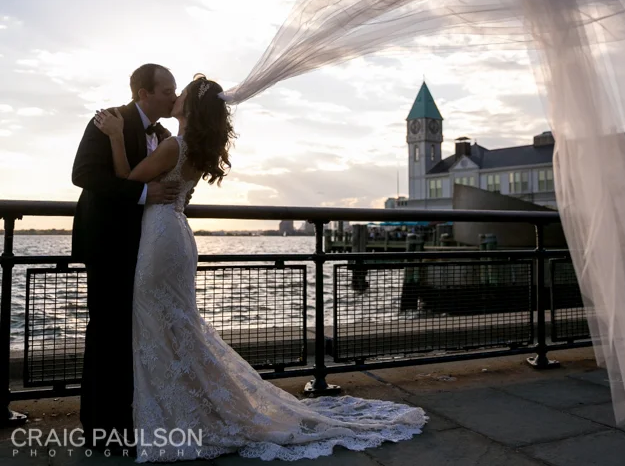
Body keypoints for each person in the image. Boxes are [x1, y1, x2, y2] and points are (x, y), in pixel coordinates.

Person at [93, 75, 427, 462]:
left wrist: (117, 137)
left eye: (181, 91)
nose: (176, 95)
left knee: (161, 324)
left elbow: (126, 181)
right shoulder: (197, 149)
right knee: (178, 326)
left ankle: (183, 413)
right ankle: (195, 407)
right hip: (176, 236)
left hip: (160, 237)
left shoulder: (173, 145)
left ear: (191, 106)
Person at [72, 63, 181, 451]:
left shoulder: (166, 135)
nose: (173, 95)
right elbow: (83, 174)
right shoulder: (108, 120)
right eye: (167, 89)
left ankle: (130, 419)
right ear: (143, 93)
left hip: (143, 248)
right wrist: (141, 195)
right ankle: (100, 429)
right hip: (106, 244)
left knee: (135, 334)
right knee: (106, 334)